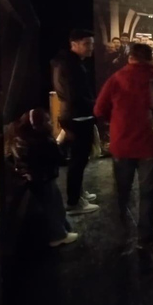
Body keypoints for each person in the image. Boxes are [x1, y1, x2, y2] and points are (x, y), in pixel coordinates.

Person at [94, 43, 153, 248]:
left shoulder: (116, 78)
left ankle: (121, 225)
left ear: (130, 57)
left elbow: (99, 109)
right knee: (148, 191)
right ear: (150, 57)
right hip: (150, 143)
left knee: (123, 188)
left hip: (122, 142)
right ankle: (145, 235)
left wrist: (114, 120)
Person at [8, 108, 77, 247]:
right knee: (53, 206)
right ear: (39, 125)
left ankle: (64, 228)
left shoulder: (21, 139)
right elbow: (60, 159)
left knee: (51, 205)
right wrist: (63, 141)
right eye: (48, 121)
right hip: (46, 179)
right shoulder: (44, 142)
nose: (51, 123)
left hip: (33, 180)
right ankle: (58, 236)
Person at [51, 29, 100, 215]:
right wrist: (95, 104)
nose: (91, 48)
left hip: (73, 115)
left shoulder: (66, 63)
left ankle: (77, 194)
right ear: (74, 44)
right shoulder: (71, 66)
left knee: (78, 160)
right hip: (78, 116)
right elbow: (75, 95)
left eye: (92, 44)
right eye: (87, 44)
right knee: (78, 160)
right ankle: (74, 202)